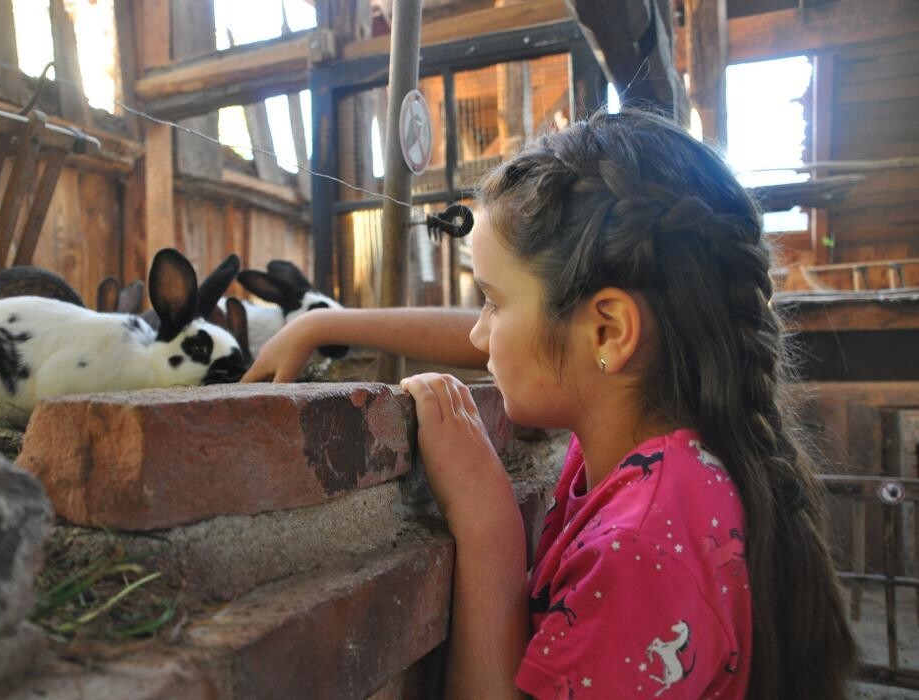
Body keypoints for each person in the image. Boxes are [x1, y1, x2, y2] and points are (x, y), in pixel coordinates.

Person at [242, 108, 856, 699]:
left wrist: (488, 528)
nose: (478, 334)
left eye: (492, 301)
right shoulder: (662, 450)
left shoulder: (639, 548)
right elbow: (518, 332)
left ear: (609, 333)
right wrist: (325, 325)